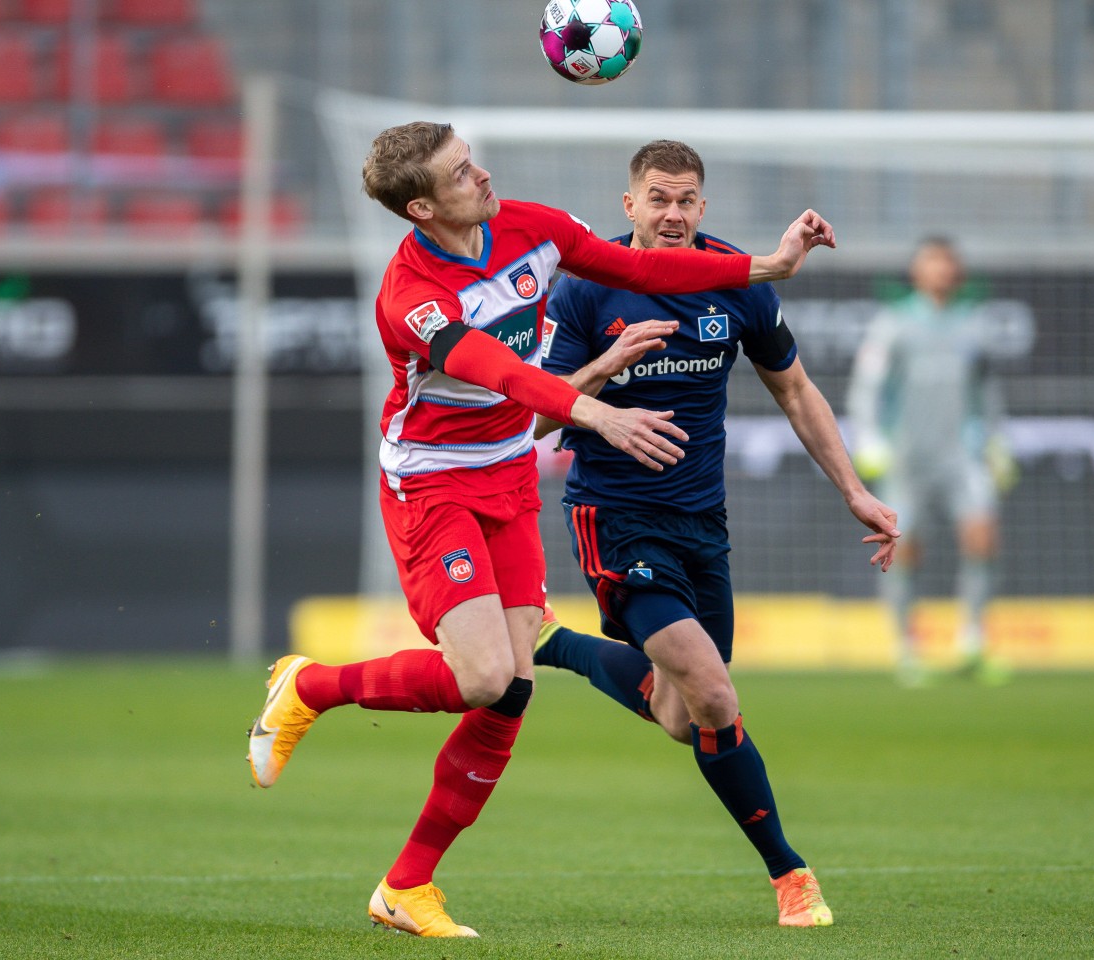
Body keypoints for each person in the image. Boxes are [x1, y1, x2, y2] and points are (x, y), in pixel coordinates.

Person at [244, 122, 839, 939]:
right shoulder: (410, 298)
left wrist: (768, 266)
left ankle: (408, 887)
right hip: (433, 484)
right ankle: (310, 687)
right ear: (423, 206)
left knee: (524, 689)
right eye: (461, 172)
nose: (482, 174)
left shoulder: (531, 225)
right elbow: (503, 373)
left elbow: (638, 265)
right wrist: (597, 407)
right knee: (486, 677)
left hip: (509, 474)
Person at [532, 140, 900, 928]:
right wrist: (608, 366)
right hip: (614, 516)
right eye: (658, 199)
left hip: (703, 522)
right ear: (629, 205)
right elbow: (535, 410)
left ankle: (550, 643)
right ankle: (791, 877)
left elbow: (796, 391)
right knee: (717, 695)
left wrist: (856, 491)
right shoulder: (586, 288)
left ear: (704, 208)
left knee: (681, 714)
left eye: (687, 200)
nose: (673, 213)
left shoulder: (734, 281)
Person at [845, 236, 1015, 687]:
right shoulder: (894, 324)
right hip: (908, 458)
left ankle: (972, 644)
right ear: (918, 272)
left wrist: (995, 442)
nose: (940, 270)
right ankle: (906, 649)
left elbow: (986, 391)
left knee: (982, 537)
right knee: (905, 548)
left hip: (962, 455)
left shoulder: (974, 326)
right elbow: (868, 387)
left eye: (947, 262)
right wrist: (870, 438)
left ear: (956, 271)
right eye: (931, 262)